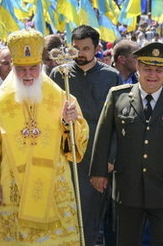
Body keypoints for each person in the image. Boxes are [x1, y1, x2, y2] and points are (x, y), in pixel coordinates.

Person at [0, 29, 88, 245]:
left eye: (32, 68)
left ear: (41, 67)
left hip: (53, 183)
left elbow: (75, 141)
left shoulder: (60, 96)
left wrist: (70, 122)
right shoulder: (1, 101)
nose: (27, 74)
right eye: (21, 69)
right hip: (13, 184)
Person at [90, 42, 163, 246]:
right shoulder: (117, 96)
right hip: (127, 188)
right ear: (138, 68)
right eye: (147, 69)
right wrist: (98, 171)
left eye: (158, 70)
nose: (152, 75)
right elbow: (103, 137)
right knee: (126, 241)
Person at [49, 25, 123, 245]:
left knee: (91, 218)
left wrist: (110, 159)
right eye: (76, 48)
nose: (80, 53)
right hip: (66, 155)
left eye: (86, 48)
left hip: (96, 157)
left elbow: (118, 123)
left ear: (97, 48)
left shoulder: (111, 77)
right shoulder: (59, 73)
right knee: (65, 212)